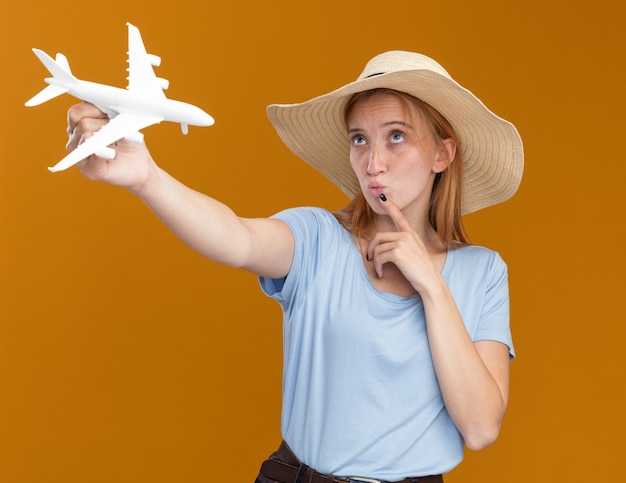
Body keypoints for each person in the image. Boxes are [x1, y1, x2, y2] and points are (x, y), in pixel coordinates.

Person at [66, 51, 523, 483]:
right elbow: (236, 238)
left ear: (442, 154)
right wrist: (146, 177)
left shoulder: (482, 273)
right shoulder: (318, 237)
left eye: (396, 136)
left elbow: (481, 427)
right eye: (359, 139)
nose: (372, 162)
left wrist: (433, 288)